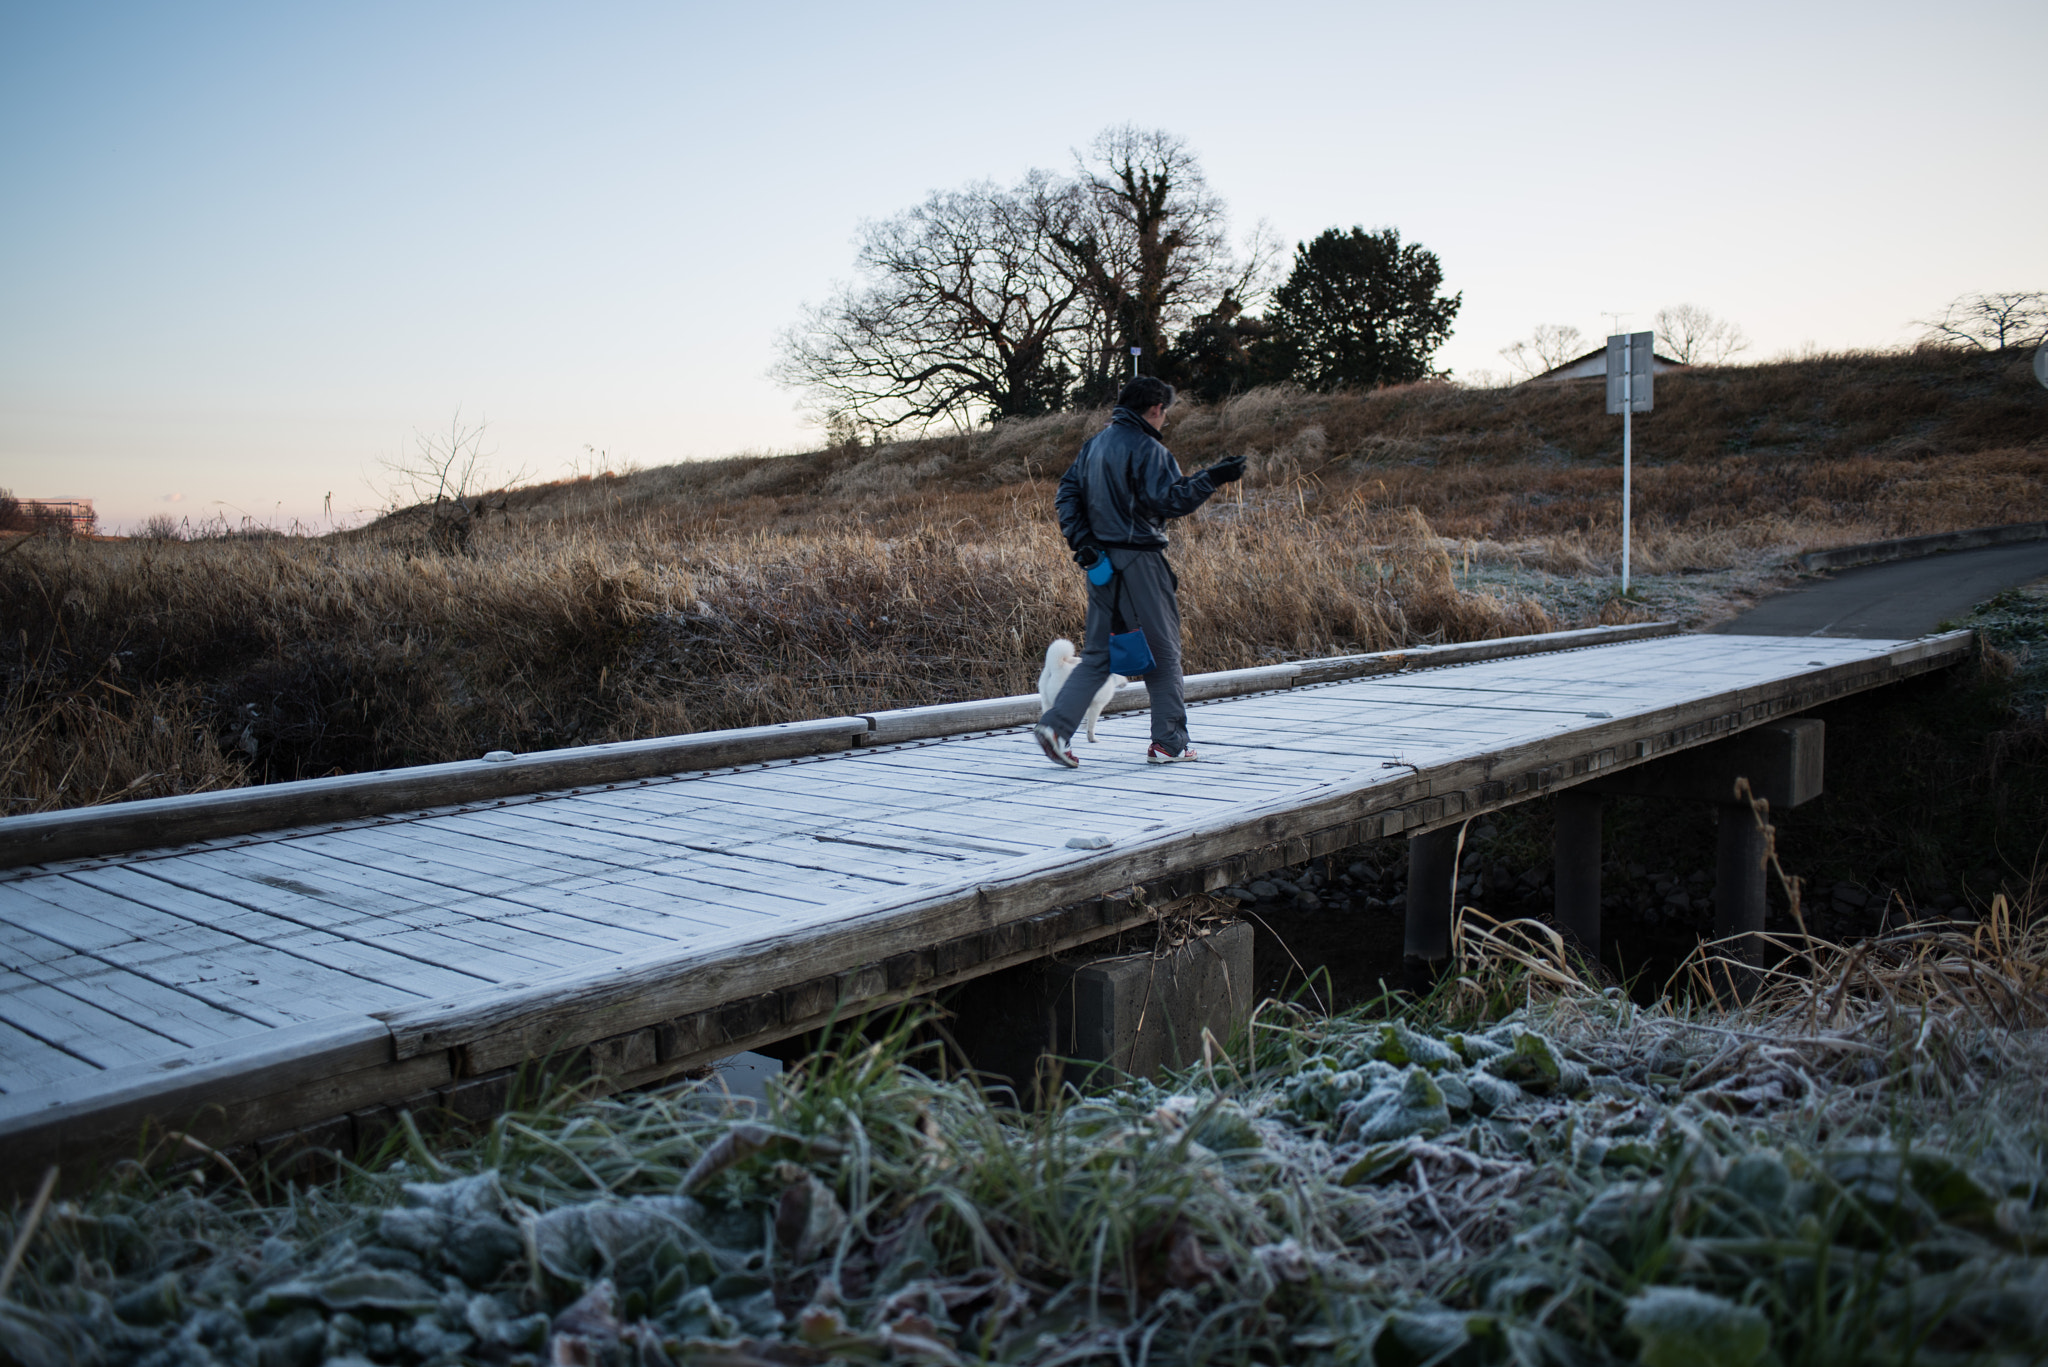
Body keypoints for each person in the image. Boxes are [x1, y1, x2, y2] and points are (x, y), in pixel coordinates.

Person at [1032, 376, 1245, 768]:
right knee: (1163, 654)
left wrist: (1086, 546)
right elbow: (1172, 499)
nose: (1165, 420)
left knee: (1098, 655)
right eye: (1166, 412)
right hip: (1141, 562)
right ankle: (1169, 744)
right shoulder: (1150, 450)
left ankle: (1056, 728)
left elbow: (1066, 494)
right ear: (1156, 409)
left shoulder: (1093, 447)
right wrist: (1213, 477)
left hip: (1099, 564)